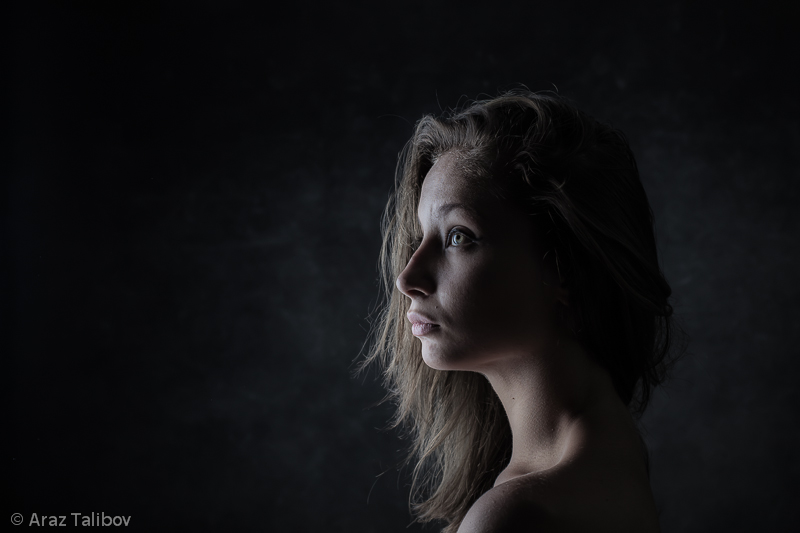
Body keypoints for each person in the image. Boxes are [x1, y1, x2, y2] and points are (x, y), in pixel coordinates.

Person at [361, 90, 684, 533]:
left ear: (565, 268)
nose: (408, 277)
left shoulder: (516, 514)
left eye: (458, 237)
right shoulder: (612, 448)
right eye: (421, 236)